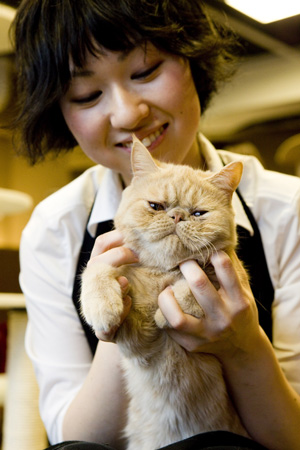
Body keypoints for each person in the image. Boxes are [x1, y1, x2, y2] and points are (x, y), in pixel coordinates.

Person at [11, 0, 300, 449]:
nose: (128, 116)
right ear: (60, 112)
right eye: (87, 95)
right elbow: (78, 439)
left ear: (192, 58)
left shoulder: (288, 209)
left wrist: (243, 348)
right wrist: (123, 303)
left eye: (144, 71)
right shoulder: (53, 228)